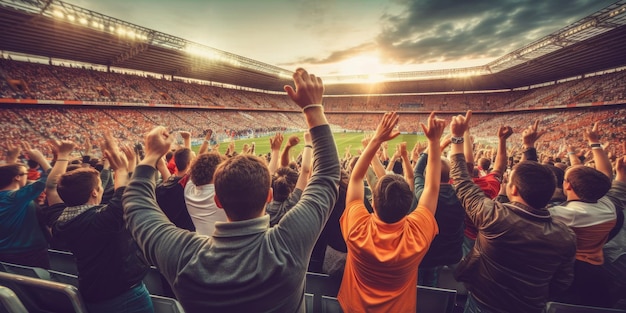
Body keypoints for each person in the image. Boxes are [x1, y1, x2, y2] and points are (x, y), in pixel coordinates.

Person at [122, 68, 340, 311]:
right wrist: (313, 109)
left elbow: (135, 208)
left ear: (218, 200)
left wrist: (150, 156)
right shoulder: (287, 244)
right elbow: (327, 176)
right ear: (268, 197)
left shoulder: (184, 255)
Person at [448, 111, 577, 313]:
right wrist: (529, 149)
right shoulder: (565, 235)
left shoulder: (494, 217)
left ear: (514, 189)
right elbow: (561, 283)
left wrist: (456, 137)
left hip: (484, 301)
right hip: (530, 306)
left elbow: (462, 183)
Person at [337, 111, 445, 312]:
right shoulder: (417, 235)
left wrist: (377, 138)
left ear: (374, 205)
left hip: (354, 308)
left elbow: (356, 178)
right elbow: (432, 188)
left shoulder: (357, 229)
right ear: (408, 208)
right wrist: (434, 143)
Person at [45, 136, 153, 313]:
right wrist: (121, 168)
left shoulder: (60, 222)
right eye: (101, 186)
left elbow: (50, 188)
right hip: (125, 297)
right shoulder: (103, 220)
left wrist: (63, 155)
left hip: (92, 294)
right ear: (95, 192)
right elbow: (126, 194)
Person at [549, 122, 626, 307]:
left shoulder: (566, 214)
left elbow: (605, 175)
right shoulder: (608, 204)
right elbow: (604, 175)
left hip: (573, 270)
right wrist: (594, 143)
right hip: (597, 268)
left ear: (567, 186)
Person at [0, 143, 52, 268]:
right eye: (25, 174)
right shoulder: (16, 197)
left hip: (4, 254)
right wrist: (40, 159)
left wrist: (10, 161)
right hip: (29, 254)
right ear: (17, 178)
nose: (28, 176)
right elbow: (52, 179)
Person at [184, 152, 227, 236]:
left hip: (203, 243)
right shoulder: (222, 193)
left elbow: (191, 170)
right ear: (216, 173)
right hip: (225, 245)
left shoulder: (188, 190)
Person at [155, 147, 195, 231]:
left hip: (171, 233)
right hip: (189, 234)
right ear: (190, 163)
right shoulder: (188, 184)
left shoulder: (161, 188)